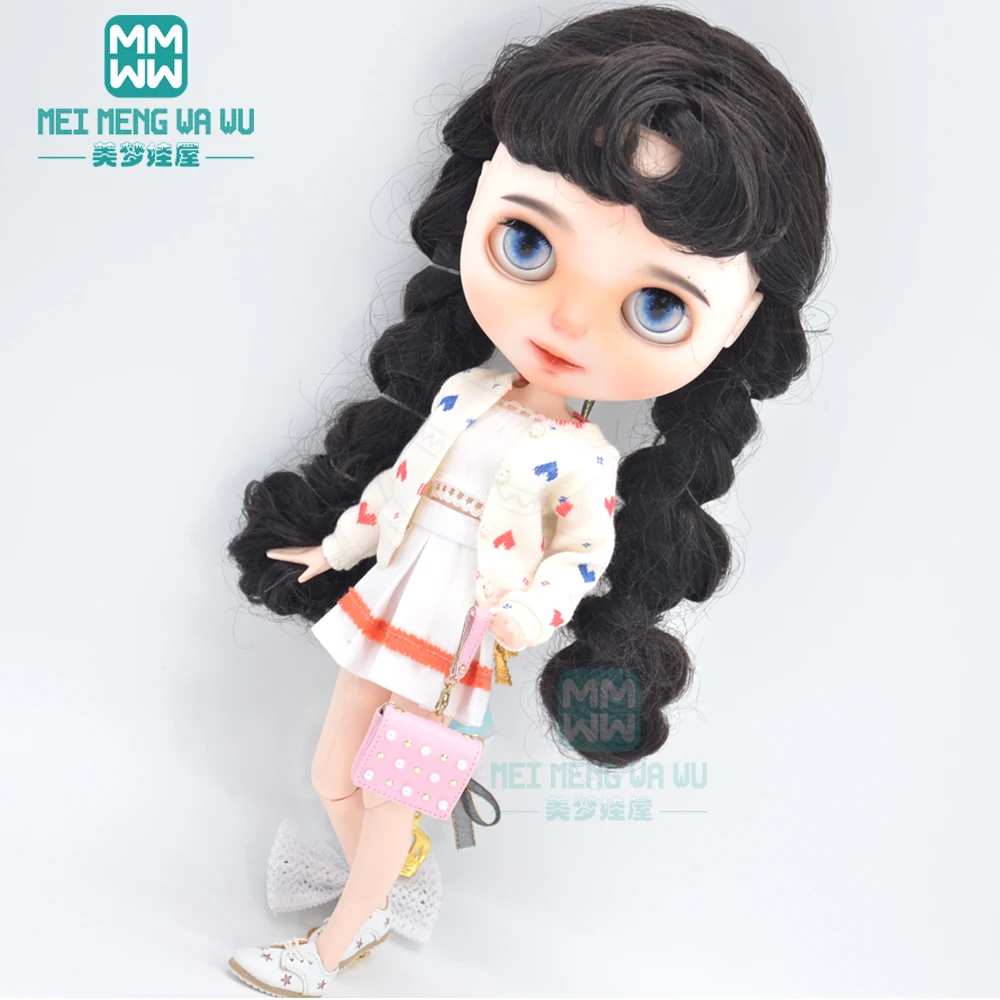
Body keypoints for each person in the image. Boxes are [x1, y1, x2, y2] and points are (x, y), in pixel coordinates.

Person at [226, 5, 831, 994]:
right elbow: (403, 487)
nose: (566, 321)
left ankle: (327, 948)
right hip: (390, 605)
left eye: (656, 304)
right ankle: (381, 893)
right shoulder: (465, 393)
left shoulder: (584, 463)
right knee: (334, 772)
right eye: (527, 242)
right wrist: (334, 550)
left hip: (458, 641)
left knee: (390, 790)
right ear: (478, 197)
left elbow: (578, 559)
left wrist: (519, 618)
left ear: (738, 322)